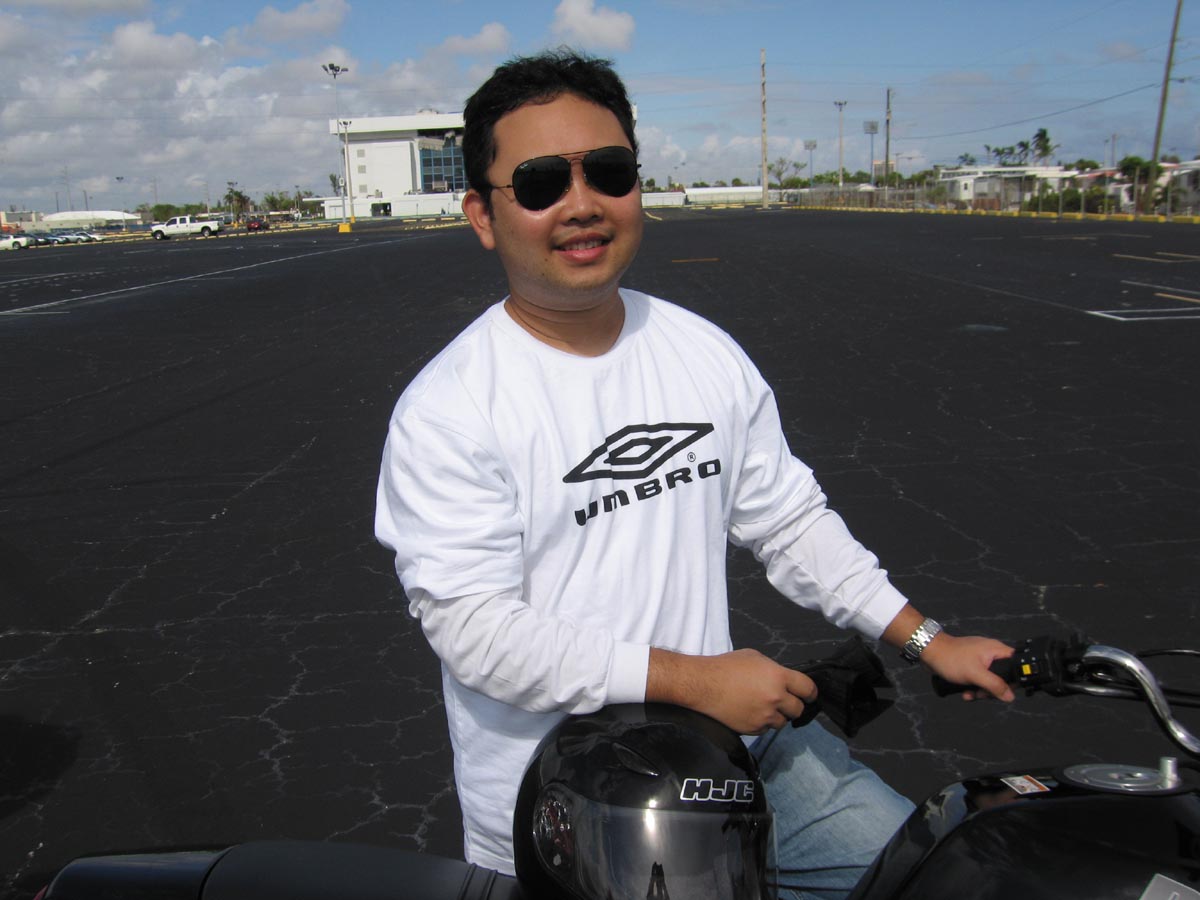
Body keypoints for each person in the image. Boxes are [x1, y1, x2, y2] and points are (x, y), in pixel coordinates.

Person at [374, 49, 1014, 899]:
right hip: (572, 806)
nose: (582, 204)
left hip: (735, 749)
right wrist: (697, 679)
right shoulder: (451, 407)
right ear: (484, 216)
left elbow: (789, 521)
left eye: (608, 172)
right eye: (540, 183)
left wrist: (929, 641)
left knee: (942, 876)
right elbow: (477, 632)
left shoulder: (701, 351)